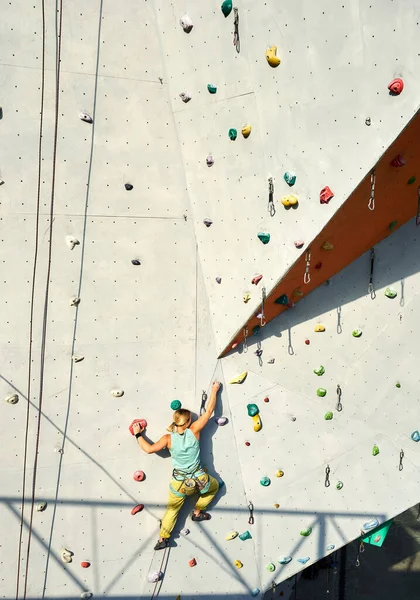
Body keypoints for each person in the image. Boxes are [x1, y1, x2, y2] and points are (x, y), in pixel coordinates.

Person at [132, 380, 221, 550]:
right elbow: (209, 411)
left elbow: (149, 449)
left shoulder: (168, 439)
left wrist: (138, 435)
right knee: (213, 487)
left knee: (172, 510)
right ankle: (197, 512)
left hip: (179, 483)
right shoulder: (194, 430)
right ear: (187, 422)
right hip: (199, 478)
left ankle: (163, 539)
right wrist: (214, 389)